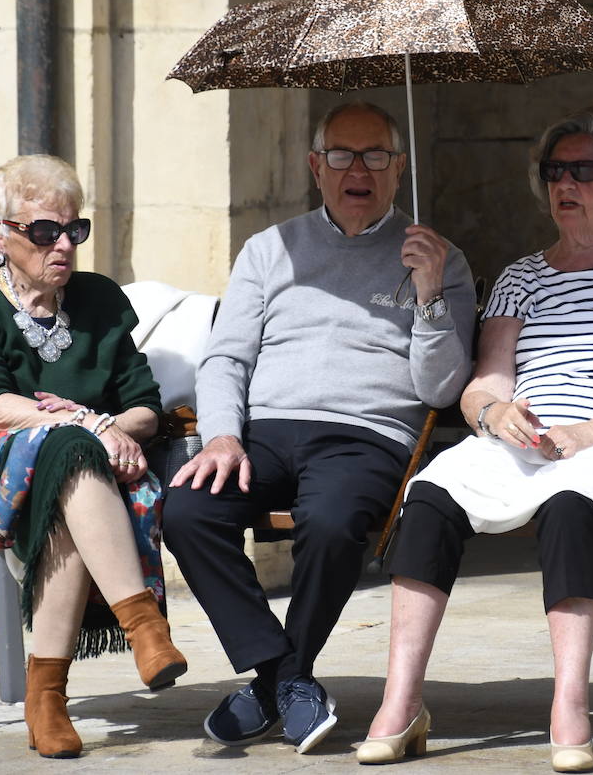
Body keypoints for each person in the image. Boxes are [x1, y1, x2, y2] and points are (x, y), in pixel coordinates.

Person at [358, 108, 593, 773]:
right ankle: (400, 703)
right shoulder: (522, 277)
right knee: (430, 493)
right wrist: (494, 417)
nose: (565, 184)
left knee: (569, 506)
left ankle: (569, 706)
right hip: (519, 444)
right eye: (555, 172)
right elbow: (482, 384)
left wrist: (591, 431)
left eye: (584, 171)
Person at [162, 102, 477, 754]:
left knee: (333, 522)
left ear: (399, 168)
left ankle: (274, 685)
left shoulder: (440, 258)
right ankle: (286, 676)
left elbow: (442, 389)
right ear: (315, 166)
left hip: (367, 435)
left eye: (374, 156)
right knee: (188, 511)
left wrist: (428, 295)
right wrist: (221, 434)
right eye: (340, 154)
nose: (356, 170)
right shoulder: (269, 250)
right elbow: (225, 356)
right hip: (264, 431)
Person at [0, 155, 187, 759]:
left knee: (69, 466)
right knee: (70, 447)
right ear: (0, 234)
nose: (64, 243)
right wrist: (93, 425)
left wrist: (109, 429)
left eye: (75, 229)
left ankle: (47, 698)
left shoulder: (97, 299)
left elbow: (145, 407)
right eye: (45, 231)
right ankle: (143, 624)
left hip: (77, 468)